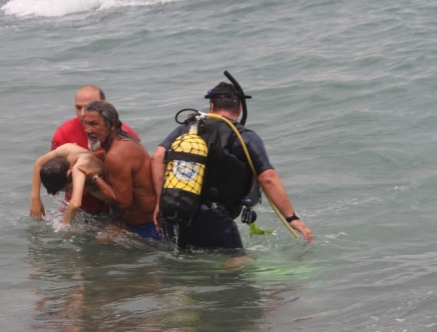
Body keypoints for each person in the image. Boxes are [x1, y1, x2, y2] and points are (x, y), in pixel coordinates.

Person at [151, 81, 313, 252]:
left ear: (211, 106)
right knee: (238, 265)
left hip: (175, 212)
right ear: (240, 109)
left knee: (182, 263)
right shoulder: (245, 136)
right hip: (213, 219)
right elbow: (268, 178)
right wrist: (291, 218)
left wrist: (160, 202)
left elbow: (157, 157)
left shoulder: (187, 128)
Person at [76, 100, 159, 240]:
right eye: (85, 124)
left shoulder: (116, 155)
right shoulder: (124, 140)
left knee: (101, 244)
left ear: (112, 125)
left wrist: (95, 178)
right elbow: (106, 154)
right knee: (102, 240)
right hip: (138, 221)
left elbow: (124, 202)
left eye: (94, 124)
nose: (88, 130)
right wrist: (84, 157)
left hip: (148, 226)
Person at [51, 85, 140, 214]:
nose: (82, 114)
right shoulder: (63, 133)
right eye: (78, 107)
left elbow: (137, 184)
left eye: (88, 107)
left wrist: (91, 177)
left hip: (119, 209)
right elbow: (55, 179)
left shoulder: (126, 136)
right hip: (79, 210)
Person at [29, 143, 106, 224]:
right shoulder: (68, 149)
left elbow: (75, 204)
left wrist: (63, 225)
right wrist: (35, 199)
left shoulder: (79, 169)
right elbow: (39, 163)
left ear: (68, 174)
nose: (65, 191)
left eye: (64, 189)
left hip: (115, 202)